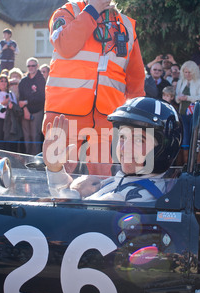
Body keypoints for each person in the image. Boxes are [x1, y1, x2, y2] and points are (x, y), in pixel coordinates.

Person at [44, 0, 145, 176]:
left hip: (106, 117)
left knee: (101, 179)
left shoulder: (127, 25)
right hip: (64, 116)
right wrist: (92, 10)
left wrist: (134, 122)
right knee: (58, 174)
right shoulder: (67, 12)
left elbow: (136, 80)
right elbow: (65, 46)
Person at [43, 97, 182, 201]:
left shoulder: (136, 197)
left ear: (163, 149)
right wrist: (55, 169)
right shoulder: (123, 181)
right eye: (122, 137)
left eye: (139, 140)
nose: (124, 148)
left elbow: (68, 218)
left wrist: (75, 190)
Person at [175, 61, 200, 164]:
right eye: (185, 72)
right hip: (183, 114)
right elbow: (176, 98)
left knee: (195, 140)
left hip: (194, 115)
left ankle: (196, 164)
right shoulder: (181, 82)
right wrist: (179, 98)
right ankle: (185, 165)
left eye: (189, 72)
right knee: (185, 141)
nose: (187, 74)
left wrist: (187, 97)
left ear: (194, 72)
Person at [19, 57, 46, 155]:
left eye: (33, 65)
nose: (31, 68)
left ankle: (36, 159)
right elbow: (21, 99)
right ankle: (27, 158)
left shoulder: (41, 79)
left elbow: (42, 97)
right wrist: (25, 108)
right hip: (25, 112)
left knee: (35, 136)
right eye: (28, 66)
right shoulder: (23, 81)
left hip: (37, 111)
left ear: (37, 66)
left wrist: (27, 101)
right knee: (27, 137)